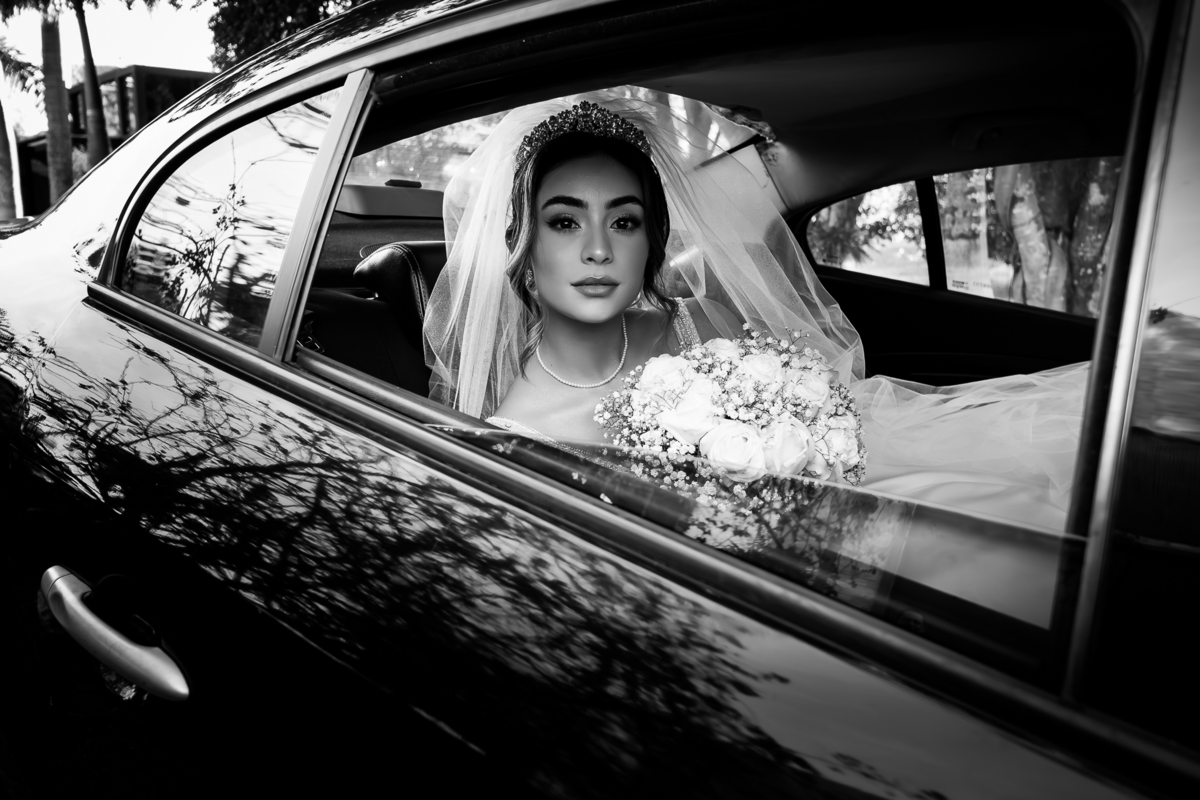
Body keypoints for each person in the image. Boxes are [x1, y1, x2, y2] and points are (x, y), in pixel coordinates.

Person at [423, 89, 1088, 530]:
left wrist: (811, 455)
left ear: (651, 239)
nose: (599, 249)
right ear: (522, 242)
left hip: (863, 509)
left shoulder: (704, 322)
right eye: (565, 222)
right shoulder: (517, 434)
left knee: (1021, 512)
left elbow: (837, 426)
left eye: (624, 222)